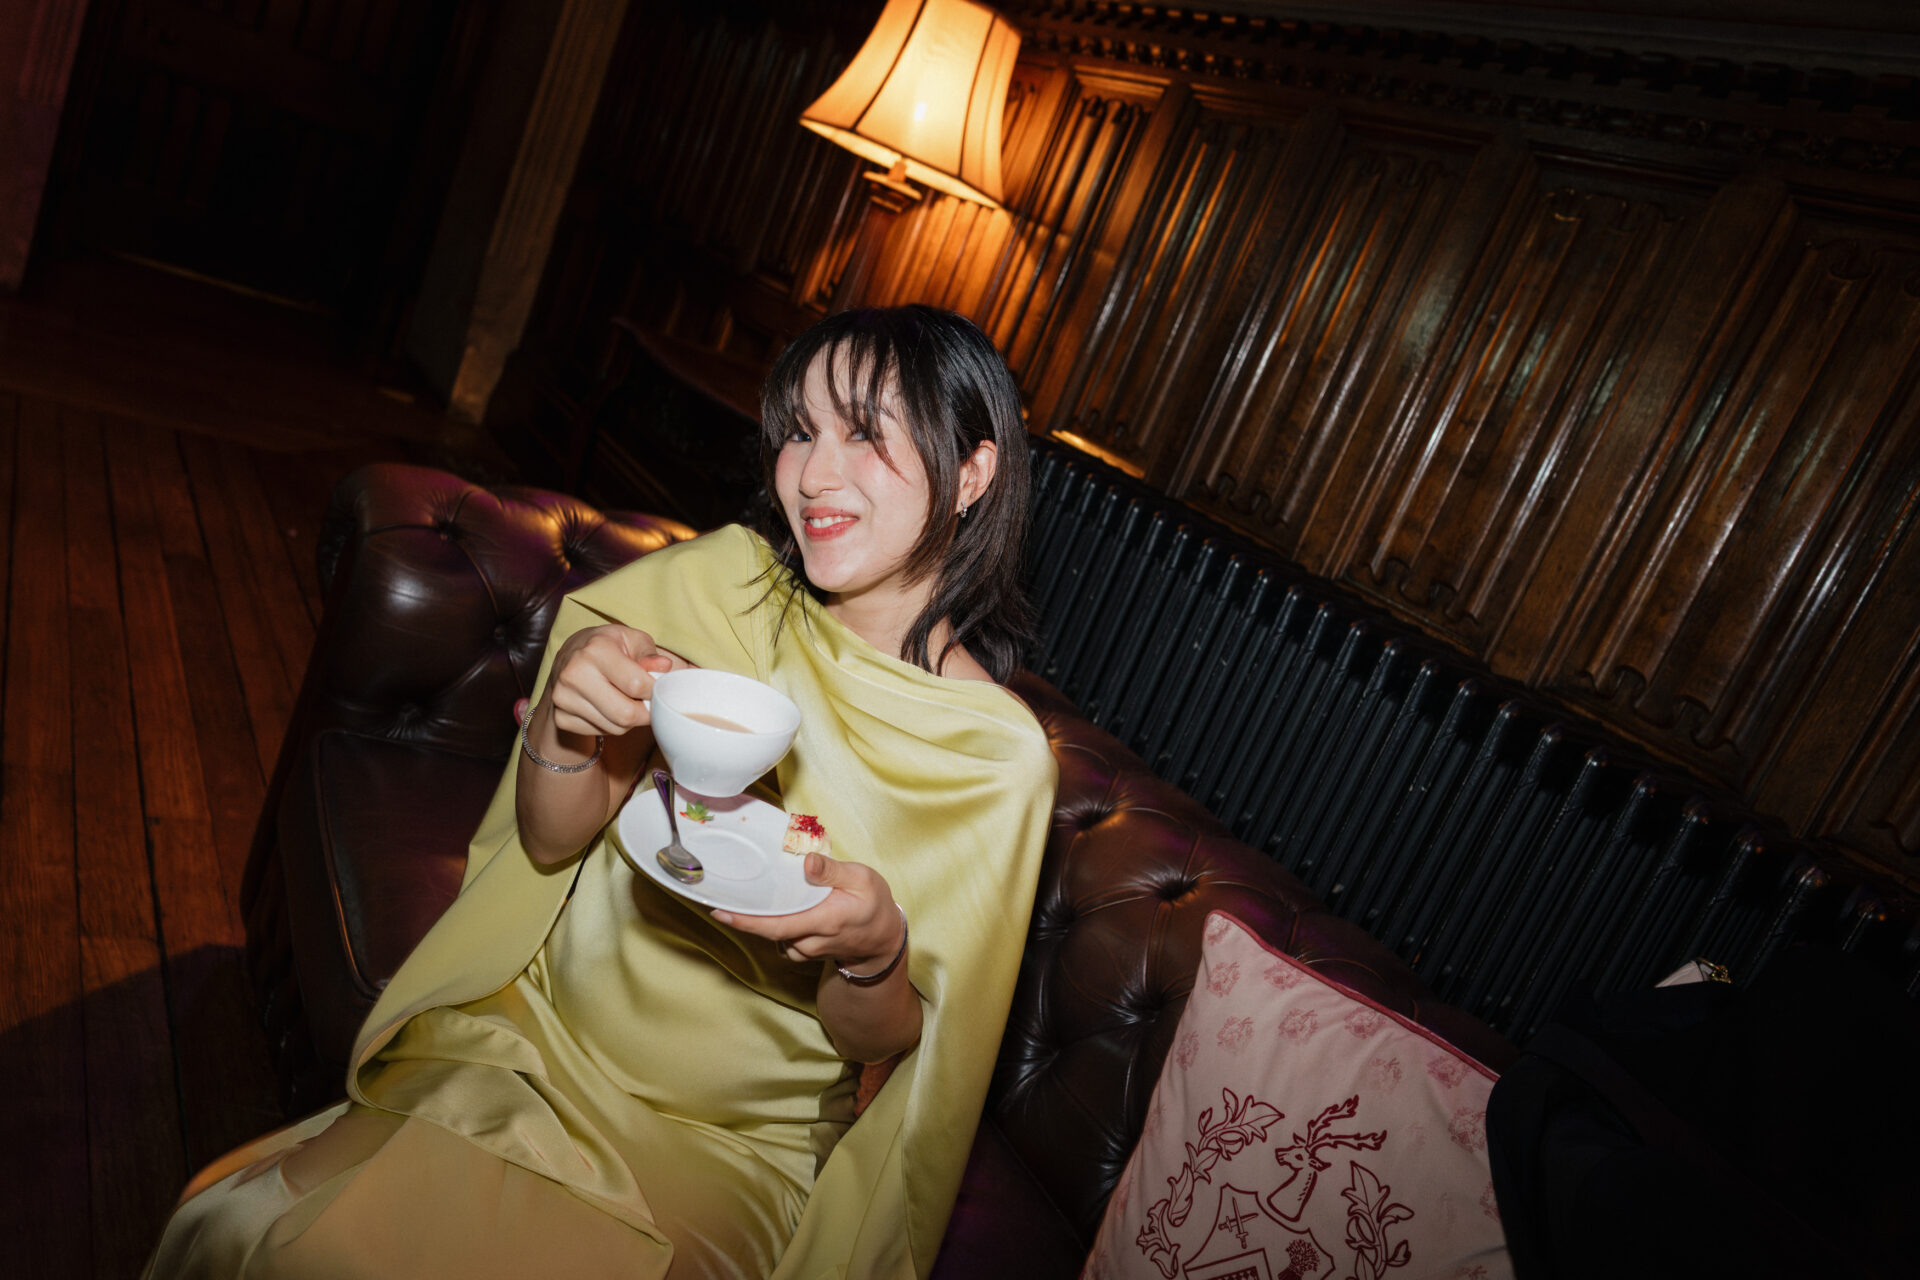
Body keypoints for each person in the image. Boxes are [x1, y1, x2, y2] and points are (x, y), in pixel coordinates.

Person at [143, 306, 1059, 1279]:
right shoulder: (723, 583)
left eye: (866, 431)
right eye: (799, 429)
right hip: (532, 1049)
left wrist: (875, 956)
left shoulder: (993, 755)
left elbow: (892, 1050)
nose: (813, 473)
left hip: (728, 1151)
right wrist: (563, 722)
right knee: (257, 1239)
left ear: (973, 471)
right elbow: (547, 840)